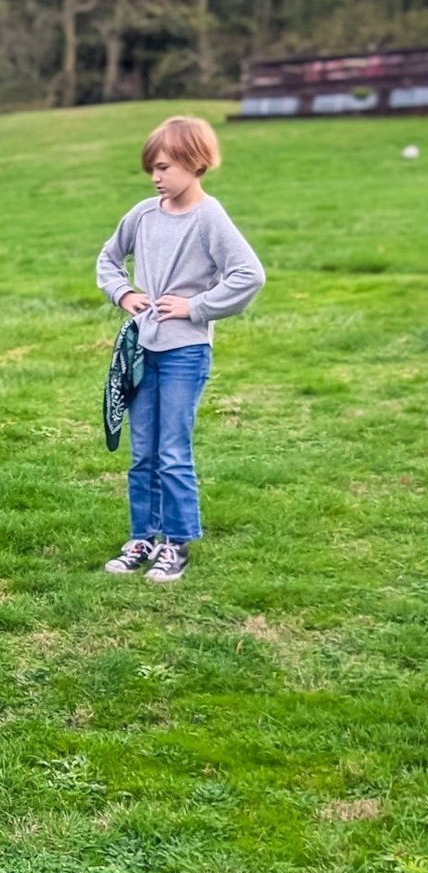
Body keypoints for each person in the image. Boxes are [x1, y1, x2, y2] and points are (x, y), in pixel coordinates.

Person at [96, 115, 266, 583]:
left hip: (185, 353)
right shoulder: (143, 214)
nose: (155, 177)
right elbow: (109, 259)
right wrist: (125, 295)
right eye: (152, 167)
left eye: (164, 167)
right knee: (142, 453)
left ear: (196, 163)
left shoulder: (210, 218)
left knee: (172, 450)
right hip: (143, 352)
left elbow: (249, 275)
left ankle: (176, 543)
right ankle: (142, 538)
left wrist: (196, 307)